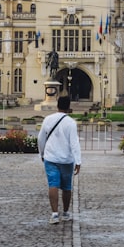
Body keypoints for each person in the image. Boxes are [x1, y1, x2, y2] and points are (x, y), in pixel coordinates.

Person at [38, 95, 81, 224]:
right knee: (67, 187)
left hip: (50, 157)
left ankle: (55, 214)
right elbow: (74, 143)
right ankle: (66, 212)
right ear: (69, 107)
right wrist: (78, 161)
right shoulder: (71, 123)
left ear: (57, 105)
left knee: (53, 185)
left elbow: (41, 138)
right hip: (66, 159)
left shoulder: (48, 119)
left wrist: (42, 153)